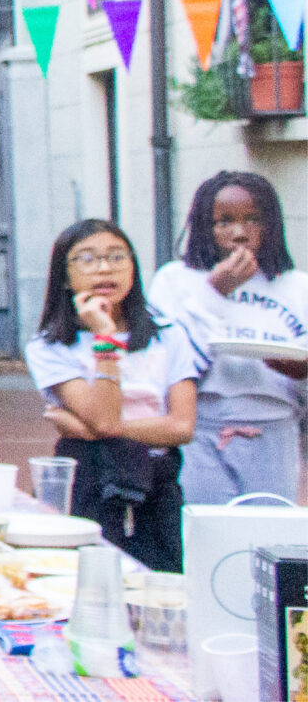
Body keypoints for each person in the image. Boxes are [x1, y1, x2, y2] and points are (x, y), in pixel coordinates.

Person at [28, 220, 201, 571]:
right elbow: (105, 416)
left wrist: (90, 429)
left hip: (157, 481)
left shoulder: (169, 335)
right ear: (64, 276)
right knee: (86, 581)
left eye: (116, 257)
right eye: (87, 259)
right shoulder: (50, 347)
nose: (104, 268)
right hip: (90, 478)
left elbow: (182, 427)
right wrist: (105, 339)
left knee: (160, 582)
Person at [148, 172, 308, 504]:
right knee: (206, 534)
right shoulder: (175, 280)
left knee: (267, 536)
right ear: (204, 226)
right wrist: (214, 293)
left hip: (274, 428)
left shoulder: (296, 286)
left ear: (272, 224)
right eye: (223, 222)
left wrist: (301, 372)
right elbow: (162, 361)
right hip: (200, 428)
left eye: (253, 220)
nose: (238, 233)